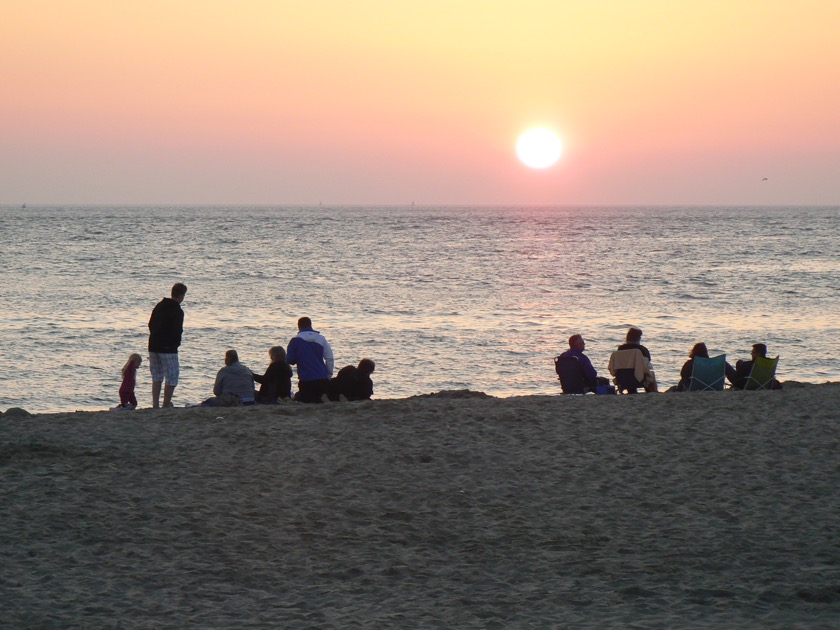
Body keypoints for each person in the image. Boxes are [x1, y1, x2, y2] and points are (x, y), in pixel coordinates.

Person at [148, 282, 187, 408]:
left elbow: (150, 324)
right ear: (181, 295)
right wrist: (175, 343)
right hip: (168, 348)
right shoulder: (177, 310)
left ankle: (155, 404)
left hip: (153, 345)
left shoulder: (159, 306)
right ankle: (166, 404)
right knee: (172, 376)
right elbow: (177, 331)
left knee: (157, 375)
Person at [286, 317, 335, 403]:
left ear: (299, 326)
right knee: (320, 399)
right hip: (321, 377)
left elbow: (290, 360)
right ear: (311, 325)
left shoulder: (295, 341)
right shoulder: (321, 339)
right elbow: (329, 358)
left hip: (306, 379)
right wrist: (328, 375)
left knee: (308, 400)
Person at [617, 326, 657, 392]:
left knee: (629, 373)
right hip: (639, 378)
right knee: (650, 373)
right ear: (638, 338)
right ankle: (652, 392)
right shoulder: (641, 349)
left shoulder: (620, 349)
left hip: (622, 378)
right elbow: (647, 365)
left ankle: (631, 391)